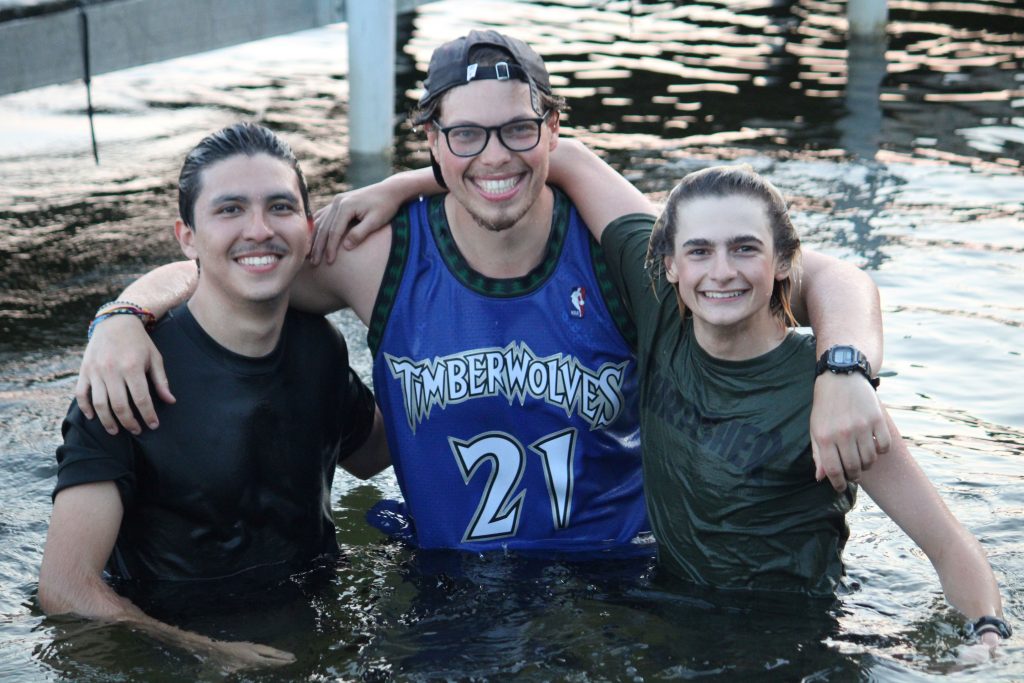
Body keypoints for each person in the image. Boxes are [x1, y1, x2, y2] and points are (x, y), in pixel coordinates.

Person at [75, 31, 888, 554]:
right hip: (446, 588)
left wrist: (843, 369)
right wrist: (123, 313)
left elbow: (823, 273)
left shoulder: (615, 248)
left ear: (552, 132)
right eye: (466, 133)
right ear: (431, 139)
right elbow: (241, 264)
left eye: (517, 130)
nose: (493, 154)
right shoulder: (378, 255)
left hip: (615, 579)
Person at [575, 161, 1010, 651]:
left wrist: (987, 637)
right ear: (670, 264)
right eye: (699, 251)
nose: (721, 271)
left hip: (793, 640)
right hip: (676, 613)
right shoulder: (660, 314)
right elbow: (564, 157)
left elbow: (950, 546)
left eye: (745, 248)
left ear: (783, 261)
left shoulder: (828, 392)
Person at [38, 123, 390, 671]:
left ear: (305, 224)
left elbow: (374, 456)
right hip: (180, 649)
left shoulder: (318, 345)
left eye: (279, 207)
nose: (258, 229)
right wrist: (206, 652)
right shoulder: (124, 375)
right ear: (187, 236)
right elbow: (63, 591)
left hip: (314, 624)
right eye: (229, 210)